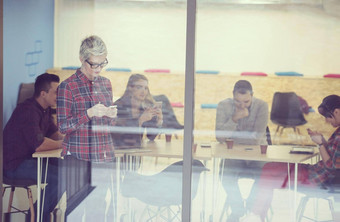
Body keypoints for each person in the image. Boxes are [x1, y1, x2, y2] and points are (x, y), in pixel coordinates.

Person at [241, 94, 340, 222]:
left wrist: (320, 144)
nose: (327, 121)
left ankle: (255, 215)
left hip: (317, 179)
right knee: (269, 169)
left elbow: (334, 168)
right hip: (316, 173)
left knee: (268, 173)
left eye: (328, 117)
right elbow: (334, 157)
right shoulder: (338, 131)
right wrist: (323, 141)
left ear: (336, 112)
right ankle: (257, 215)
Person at [3, 73, 64, 222]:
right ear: (43, 93)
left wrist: (70, 138)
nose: (60, 95)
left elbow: (53, 133)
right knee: (59, 179)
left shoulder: (45, 109)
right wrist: (64, 144)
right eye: (56, 92)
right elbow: (40, 145)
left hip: (29, 159)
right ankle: (35, 216)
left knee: (66, 170)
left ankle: (38, 214)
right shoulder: (28, 111)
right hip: (13, 165)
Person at [57, 35, 117, 162]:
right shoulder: (67, 86)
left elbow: (110, 126)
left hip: (104, 156)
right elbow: (63, 127)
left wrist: (112, 116)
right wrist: (88, 113)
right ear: (81, 59)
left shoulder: (106, 83)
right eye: (94, 65)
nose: (99, 69)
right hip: (77, 157)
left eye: (102, 63)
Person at [215, 80, 269, 222]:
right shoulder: (223, 106)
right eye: (238, 102)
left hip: (257, 155)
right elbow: (219, 137)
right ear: (233, 96)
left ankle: (251, 210)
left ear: (252, 96)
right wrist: (234, 118)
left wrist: (232, 139)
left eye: (246, 102)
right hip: (234, 155)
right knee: (225, 175)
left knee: (265, 178)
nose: (242, 105)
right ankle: (238, 210)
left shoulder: (262, 106)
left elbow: (257, 138)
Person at [112, 74, 163, 149]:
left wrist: (159, 120)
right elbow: (120, 135)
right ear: (130, 88)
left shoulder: (144, 107)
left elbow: (151, 137)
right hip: (119, 152)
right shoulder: (120, 106)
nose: (143, 91)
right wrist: (140, 120)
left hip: (137, 151)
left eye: (146, 88)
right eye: (139, 87)